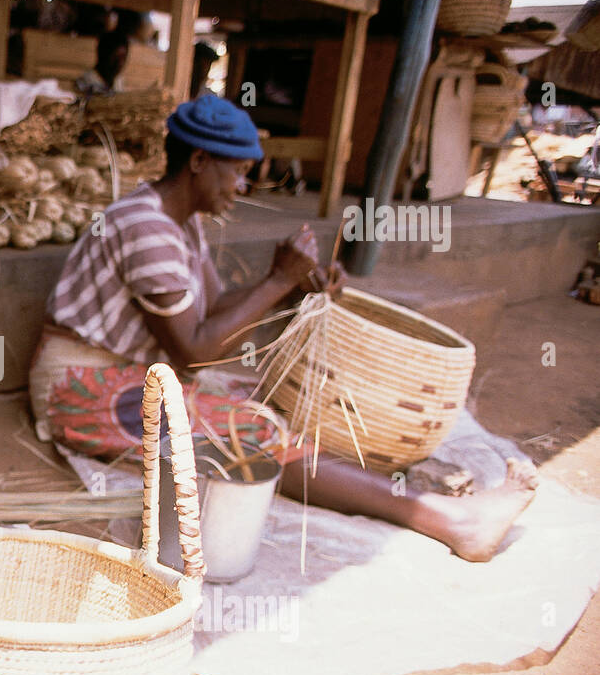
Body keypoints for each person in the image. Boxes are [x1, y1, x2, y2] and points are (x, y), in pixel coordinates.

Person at [29, 93, 538, 564]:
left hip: (139, 374)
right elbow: (197, 351)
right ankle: (454, 522)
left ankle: (403, 496)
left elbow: (212, 313)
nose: (243, 187)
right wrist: (276, 280)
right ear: (199, 161)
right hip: (79, 391)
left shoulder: (181, 221)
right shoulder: (145, 227)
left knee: (268, 403)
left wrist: (291, 286)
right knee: (250, 434)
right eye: (238, 172)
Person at [75, 29, 129, 96]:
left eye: (123, 58)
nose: (120, 63)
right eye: (115, 58)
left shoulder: (118, 82)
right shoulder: (86, 82)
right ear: (103, 55)